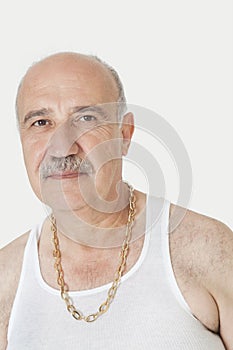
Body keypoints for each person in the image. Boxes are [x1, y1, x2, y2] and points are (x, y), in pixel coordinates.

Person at [0, 52, 232, 350]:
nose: (62, 147)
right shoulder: (7, 281)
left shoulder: (207, 248)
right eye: (40, 122)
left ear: (124, 134)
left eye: (85, 118)